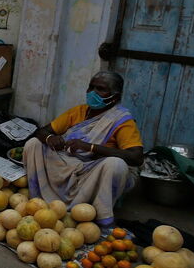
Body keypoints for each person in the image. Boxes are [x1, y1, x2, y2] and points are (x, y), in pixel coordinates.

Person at [23, 71, 144, 229]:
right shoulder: (78, 111)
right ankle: (39, 203)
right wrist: (50, 138)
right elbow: (42, 131)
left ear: (114, 97)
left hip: (93, 171)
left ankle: (101, 217)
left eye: (100, 89)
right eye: (90, 87)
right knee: (34, 144)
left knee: (116, 164)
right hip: (68, 163)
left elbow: (136, 157)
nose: (92, 92)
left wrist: (89, 147)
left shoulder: (122, 121)